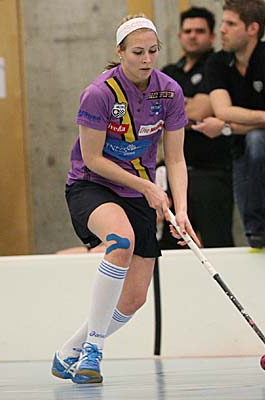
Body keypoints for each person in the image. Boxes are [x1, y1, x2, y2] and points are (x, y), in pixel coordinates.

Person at [52, 15, 199, 384]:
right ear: (119, 52)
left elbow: (176, 158)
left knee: (134, 299)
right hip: (92, 185)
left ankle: (71, 349)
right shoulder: (99, 93)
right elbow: (92, 158)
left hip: (139, 190)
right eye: (137, 52)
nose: (146, 59)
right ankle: (93, 351)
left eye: (153, 51)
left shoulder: (169, 92)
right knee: (120, 241)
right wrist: (147, 187)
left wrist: (181, 210)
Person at [197, 0, 265, 249]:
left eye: (231, 24)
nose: (222, 30)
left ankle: (262, 229)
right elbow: (223, 110)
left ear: (252, 29)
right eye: (223, 22)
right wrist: (264, 117)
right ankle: (264, 237)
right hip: (243, 154)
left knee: (258, 139)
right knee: (258, 235)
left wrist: (227, 127)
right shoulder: (217, 63)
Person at [161, 6, 235, 248]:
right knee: (171, 243)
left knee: (217, 242)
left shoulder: (218, 66)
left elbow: (200, 111)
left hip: (212, 171)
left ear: (212, 36)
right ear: (179, 35)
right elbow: (152, 112)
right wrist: (188, 107)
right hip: (173, 173)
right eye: (187, 31)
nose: (192, 36)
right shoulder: (169, 73)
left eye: (200, 31)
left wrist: (173, 110)